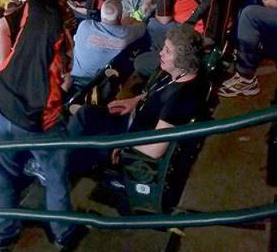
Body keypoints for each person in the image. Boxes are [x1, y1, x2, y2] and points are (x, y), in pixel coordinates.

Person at [0, 0, 84, 252]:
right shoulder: (62, 38)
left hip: (2, 105)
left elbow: (0, 25)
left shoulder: (32, 12)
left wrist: (6, 65)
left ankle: (2, 235)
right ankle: (63, 233)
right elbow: (64, 81)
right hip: (39, 122)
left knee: (1, 174)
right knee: (55, 178)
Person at [66, 24, 207, 176]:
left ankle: (56, 164)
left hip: (132, 139)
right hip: (134, 120)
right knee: (86, 113)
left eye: (167, 51)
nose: (161, 53)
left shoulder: (180, 99)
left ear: (182, 59)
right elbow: (157, 94)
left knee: (84, 138)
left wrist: (125, 144)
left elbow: (156, 149)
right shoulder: (178, 73)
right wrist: (135, 100)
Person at [70, 0, 146, 93]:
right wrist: (124, 24)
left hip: (73, 76)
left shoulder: (84, 25)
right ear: (119, 17)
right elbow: (143, 27)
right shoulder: (125, 34)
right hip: (94, 84)